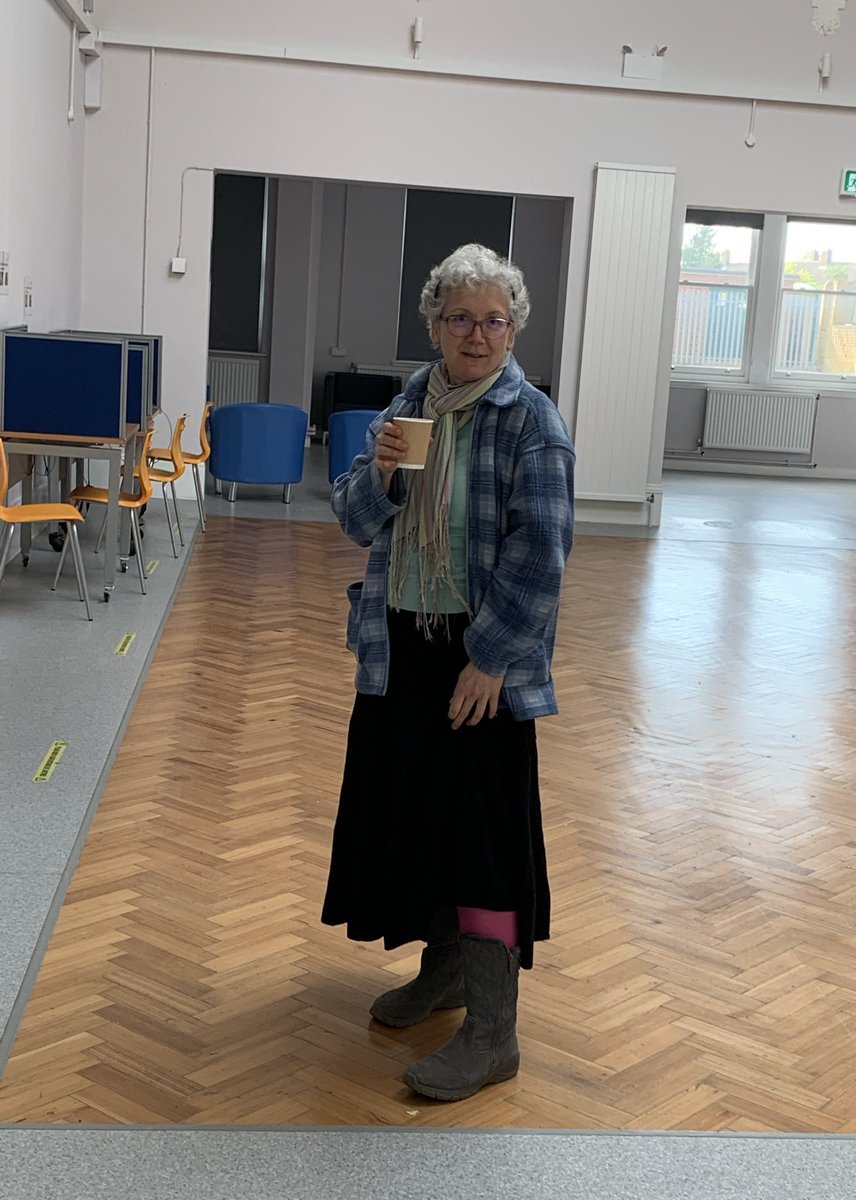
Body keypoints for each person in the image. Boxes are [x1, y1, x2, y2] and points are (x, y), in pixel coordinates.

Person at [322, 243, 575, 1102]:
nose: (477, 333)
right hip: (403, 651)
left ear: (514, 331)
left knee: (484, 843)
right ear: (433, 324)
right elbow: (353, 517)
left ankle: (495, 1031)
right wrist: (385, 473)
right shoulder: (407, 405)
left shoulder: (530, 419)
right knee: (420, 822)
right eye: (460, 317)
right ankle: (445, 973)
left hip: (481, 661)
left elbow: (542, 556)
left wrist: (492, 660)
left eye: (493, 319)